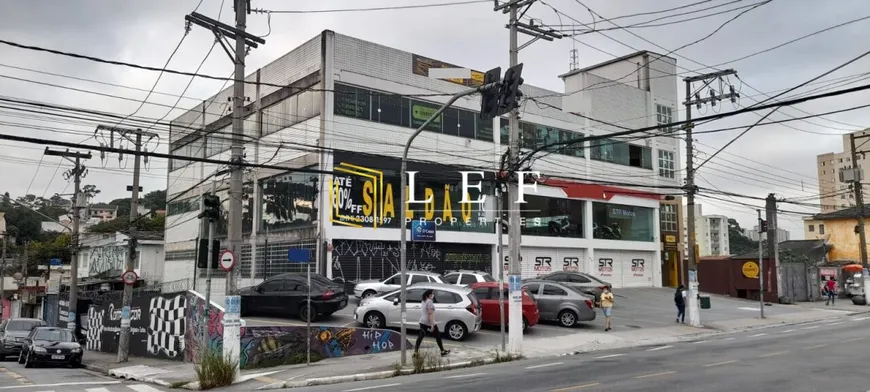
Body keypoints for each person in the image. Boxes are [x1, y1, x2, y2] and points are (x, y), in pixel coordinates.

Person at [414, 289, 450, 356]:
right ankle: (442, 351)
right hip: (429, 322)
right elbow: (430, 313)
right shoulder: (429, 301)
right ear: (429, 295)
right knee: (438, 336)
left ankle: (415, 352)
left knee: (420, 337)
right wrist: (432, 325)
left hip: (422, 321)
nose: (433, 295)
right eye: (432, 294)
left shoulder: (423, 301)